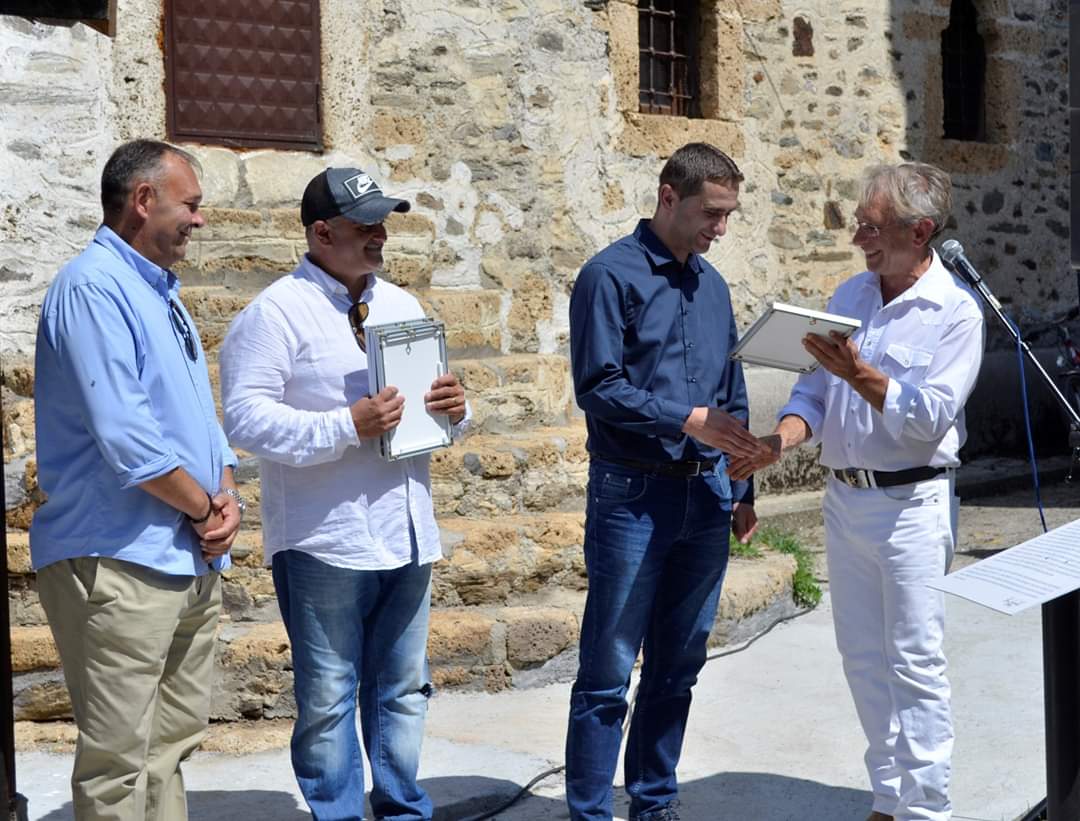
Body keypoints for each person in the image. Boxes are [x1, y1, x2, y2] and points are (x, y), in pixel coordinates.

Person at [730, 162, 985, 821]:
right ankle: (888, 796)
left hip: (913, 505)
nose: (857, 239)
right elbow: (812, 393)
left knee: (915, 661)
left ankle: (927, 810)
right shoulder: (850, 294)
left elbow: (929, 418)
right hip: (844, 501)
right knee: (864, 660)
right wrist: (778, 442)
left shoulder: (956, 312)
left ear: (919, 231)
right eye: (858, 224)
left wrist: (861, 374)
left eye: (871, 227)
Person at [219, 167, 468, 821]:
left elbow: (433, 410)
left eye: (383, 223)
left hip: (406, 530)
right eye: (365, 225)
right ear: (322, 233)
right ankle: (337, 814)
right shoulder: (274, 314)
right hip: (324, 539)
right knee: (328, 697)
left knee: (404, 690)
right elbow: (244, 420)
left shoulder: (402, 306)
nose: (380, 235)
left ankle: (402, 807)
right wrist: (345, 426)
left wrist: (455, 409)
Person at [30, 139, 243, 821]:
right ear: (144, 200)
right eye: (191, 205)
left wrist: (226, 492)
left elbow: (199, 420)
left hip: (183, 556)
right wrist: (204, 507)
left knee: (167, 752)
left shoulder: (161, 293)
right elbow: (127, 436)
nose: (199, 220)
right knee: (119, 764)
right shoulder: (92, 286)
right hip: (119, 560)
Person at [564, 142, 769, 821]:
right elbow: (597, 387)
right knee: (607, 670)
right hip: (632, 495)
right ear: (668, 196)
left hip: (706, 497)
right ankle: (590, 812)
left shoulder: (714, 286)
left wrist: (742, 487)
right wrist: (686, 419)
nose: (721, 228)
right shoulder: (607, 276)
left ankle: (653, 803)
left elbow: (730, 392)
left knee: (679, 665)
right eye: (711, 213)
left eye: (729, 214)